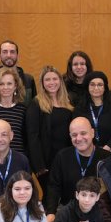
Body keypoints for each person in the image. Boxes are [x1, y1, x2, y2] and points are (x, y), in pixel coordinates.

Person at [45, 117, 110, 222]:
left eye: (83, 133)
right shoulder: (62, 156)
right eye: (74, 135)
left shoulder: (107, 158)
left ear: (92, 133)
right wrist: (51, 212)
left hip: (100, 215)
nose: (79, 138)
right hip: (69, 213)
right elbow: (53, 186)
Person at [26, 65, 74, 206]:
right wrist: (39, 165)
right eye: (47, 80)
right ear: (42, 83)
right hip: (46, 163)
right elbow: (32, 136)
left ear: (60, 81)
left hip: (65, 160)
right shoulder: (36, 103)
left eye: (55, 79)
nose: (52, 82)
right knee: (49, 200)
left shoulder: (68, 103)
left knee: (66, 197)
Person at [73, 71, 111, 150]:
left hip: (110, 151)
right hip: (86, 150)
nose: (96, 88)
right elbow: (76, 132)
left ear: (105, 87)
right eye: (92, 84)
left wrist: (108, 146)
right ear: (87, 87)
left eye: (100, 85)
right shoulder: (79, 109)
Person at [0, 40, 36, 104]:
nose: (9, 55)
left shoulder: (29, 80)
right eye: (5, 52)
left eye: (12, 52)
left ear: (17, 56)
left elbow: (34, 106)